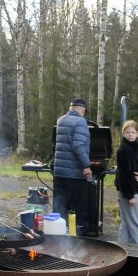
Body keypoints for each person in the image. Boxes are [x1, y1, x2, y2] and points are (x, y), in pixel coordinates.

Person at [52, 98, 92, 235]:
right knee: (78, 208)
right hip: (74, 174)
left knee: (60, 206)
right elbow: (78, 146)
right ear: (83, 110)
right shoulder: (80, 121)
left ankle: (59, 237)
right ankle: (78, 238)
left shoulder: (60, 120)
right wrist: (86, 166)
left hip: (59, 172)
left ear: (71, 108)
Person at [114, 120, 138, 244]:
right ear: (123, 133)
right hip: (127, 191)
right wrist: (130, 195)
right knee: (134, 221)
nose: (130, 135)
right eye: (127, 132)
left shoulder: (136, 148)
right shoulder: (123, 150)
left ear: (137, 134)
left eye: (133, 132)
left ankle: (122, 247)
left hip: (135, 188)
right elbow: (123, 175)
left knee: (126, 222)